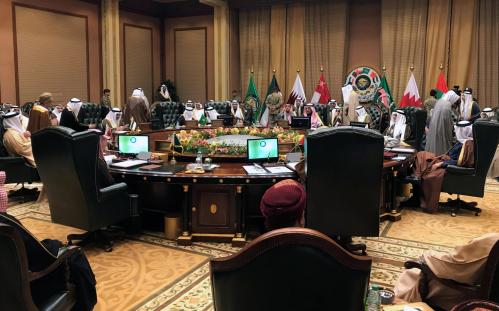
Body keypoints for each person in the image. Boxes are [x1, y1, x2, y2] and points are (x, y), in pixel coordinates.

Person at [0, 213, 97, 311]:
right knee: (74, 255)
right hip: (24, 293)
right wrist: (56, 244)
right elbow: (43, 256)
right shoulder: (6, 226)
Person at [395, 233, 499, 311]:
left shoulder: (492, 242)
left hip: (467, 297)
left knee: (414, 272)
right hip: (489, 297)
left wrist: (427, 257)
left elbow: (456, 265)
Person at [412, 120, 475, 212]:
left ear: (462, 131)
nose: (455, 132)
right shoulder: (463, 141)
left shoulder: (468, 144)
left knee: (428, 174)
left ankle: (418, 183)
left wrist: (441, 164)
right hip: (445, 161)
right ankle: (416, 178)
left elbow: (463, 163)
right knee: (421, 155)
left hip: (450, 167)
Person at [425, 90, 459, 155]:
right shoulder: (447, 106)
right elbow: (450, 125)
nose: (454, 103)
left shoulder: (440, 103)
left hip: (435, 131)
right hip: (443, 133)